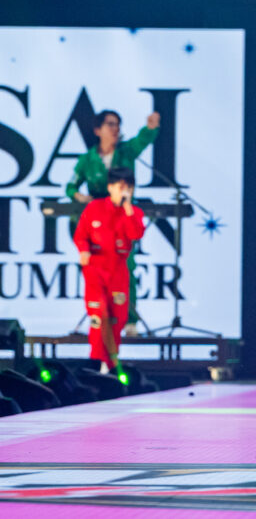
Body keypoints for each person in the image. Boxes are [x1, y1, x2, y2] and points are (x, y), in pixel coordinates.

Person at [65, 109, 160, 336]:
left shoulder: (126, 152)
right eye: (110, 124)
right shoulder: (87, 159)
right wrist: (80, 197)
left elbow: (142, 140)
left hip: (121, 220)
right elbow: (71, 187)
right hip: (98, 220)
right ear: (98, 130)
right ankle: (99, 318)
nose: (115, 129)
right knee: (97, 273)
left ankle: (130, 320)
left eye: (117, 124)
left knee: (126, 268)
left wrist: (150, 128)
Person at [73, 167, 146, 380]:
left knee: (117, 317)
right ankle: (96, 362)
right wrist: (84, 250)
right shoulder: (94, 208)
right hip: (95, 268)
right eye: (120, 186)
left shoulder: (134, 212)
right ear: (110, 187)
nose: (124, 190)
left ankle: (112, 362)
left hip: (118, 270)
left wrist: (128, 208)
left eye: (128, 186)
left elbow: (136, 233)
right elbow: (81, 235)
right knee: (99, 314)